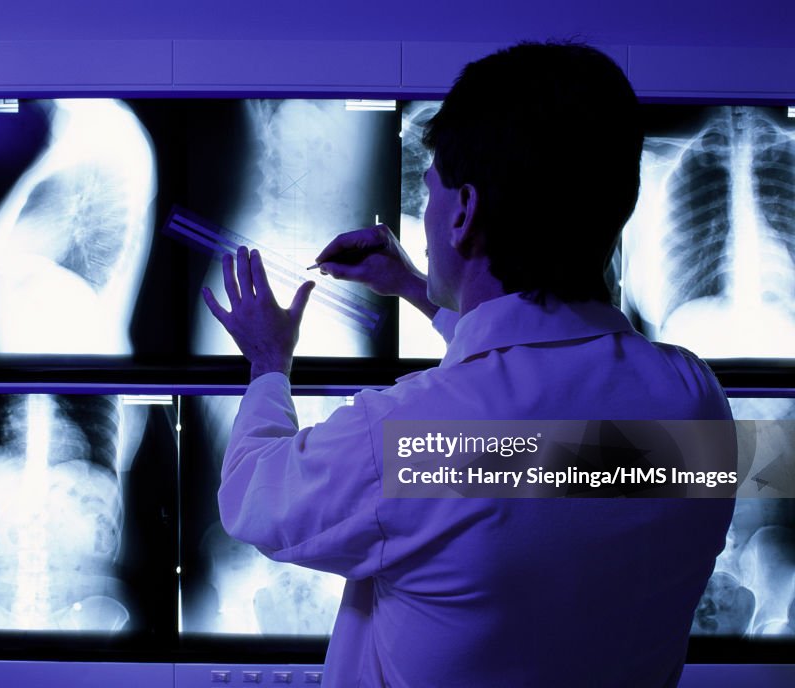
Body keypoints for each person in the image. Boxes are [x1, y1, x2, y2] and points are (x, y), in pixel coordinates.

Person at [202, 41, 735, 688]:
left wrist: (267, 363)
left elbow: (254, 500)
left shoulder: (412, 441)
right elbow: (543, 441)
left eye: (429, 194)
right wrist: (421, 288)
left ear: (463, 212)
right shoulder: (695, 402)